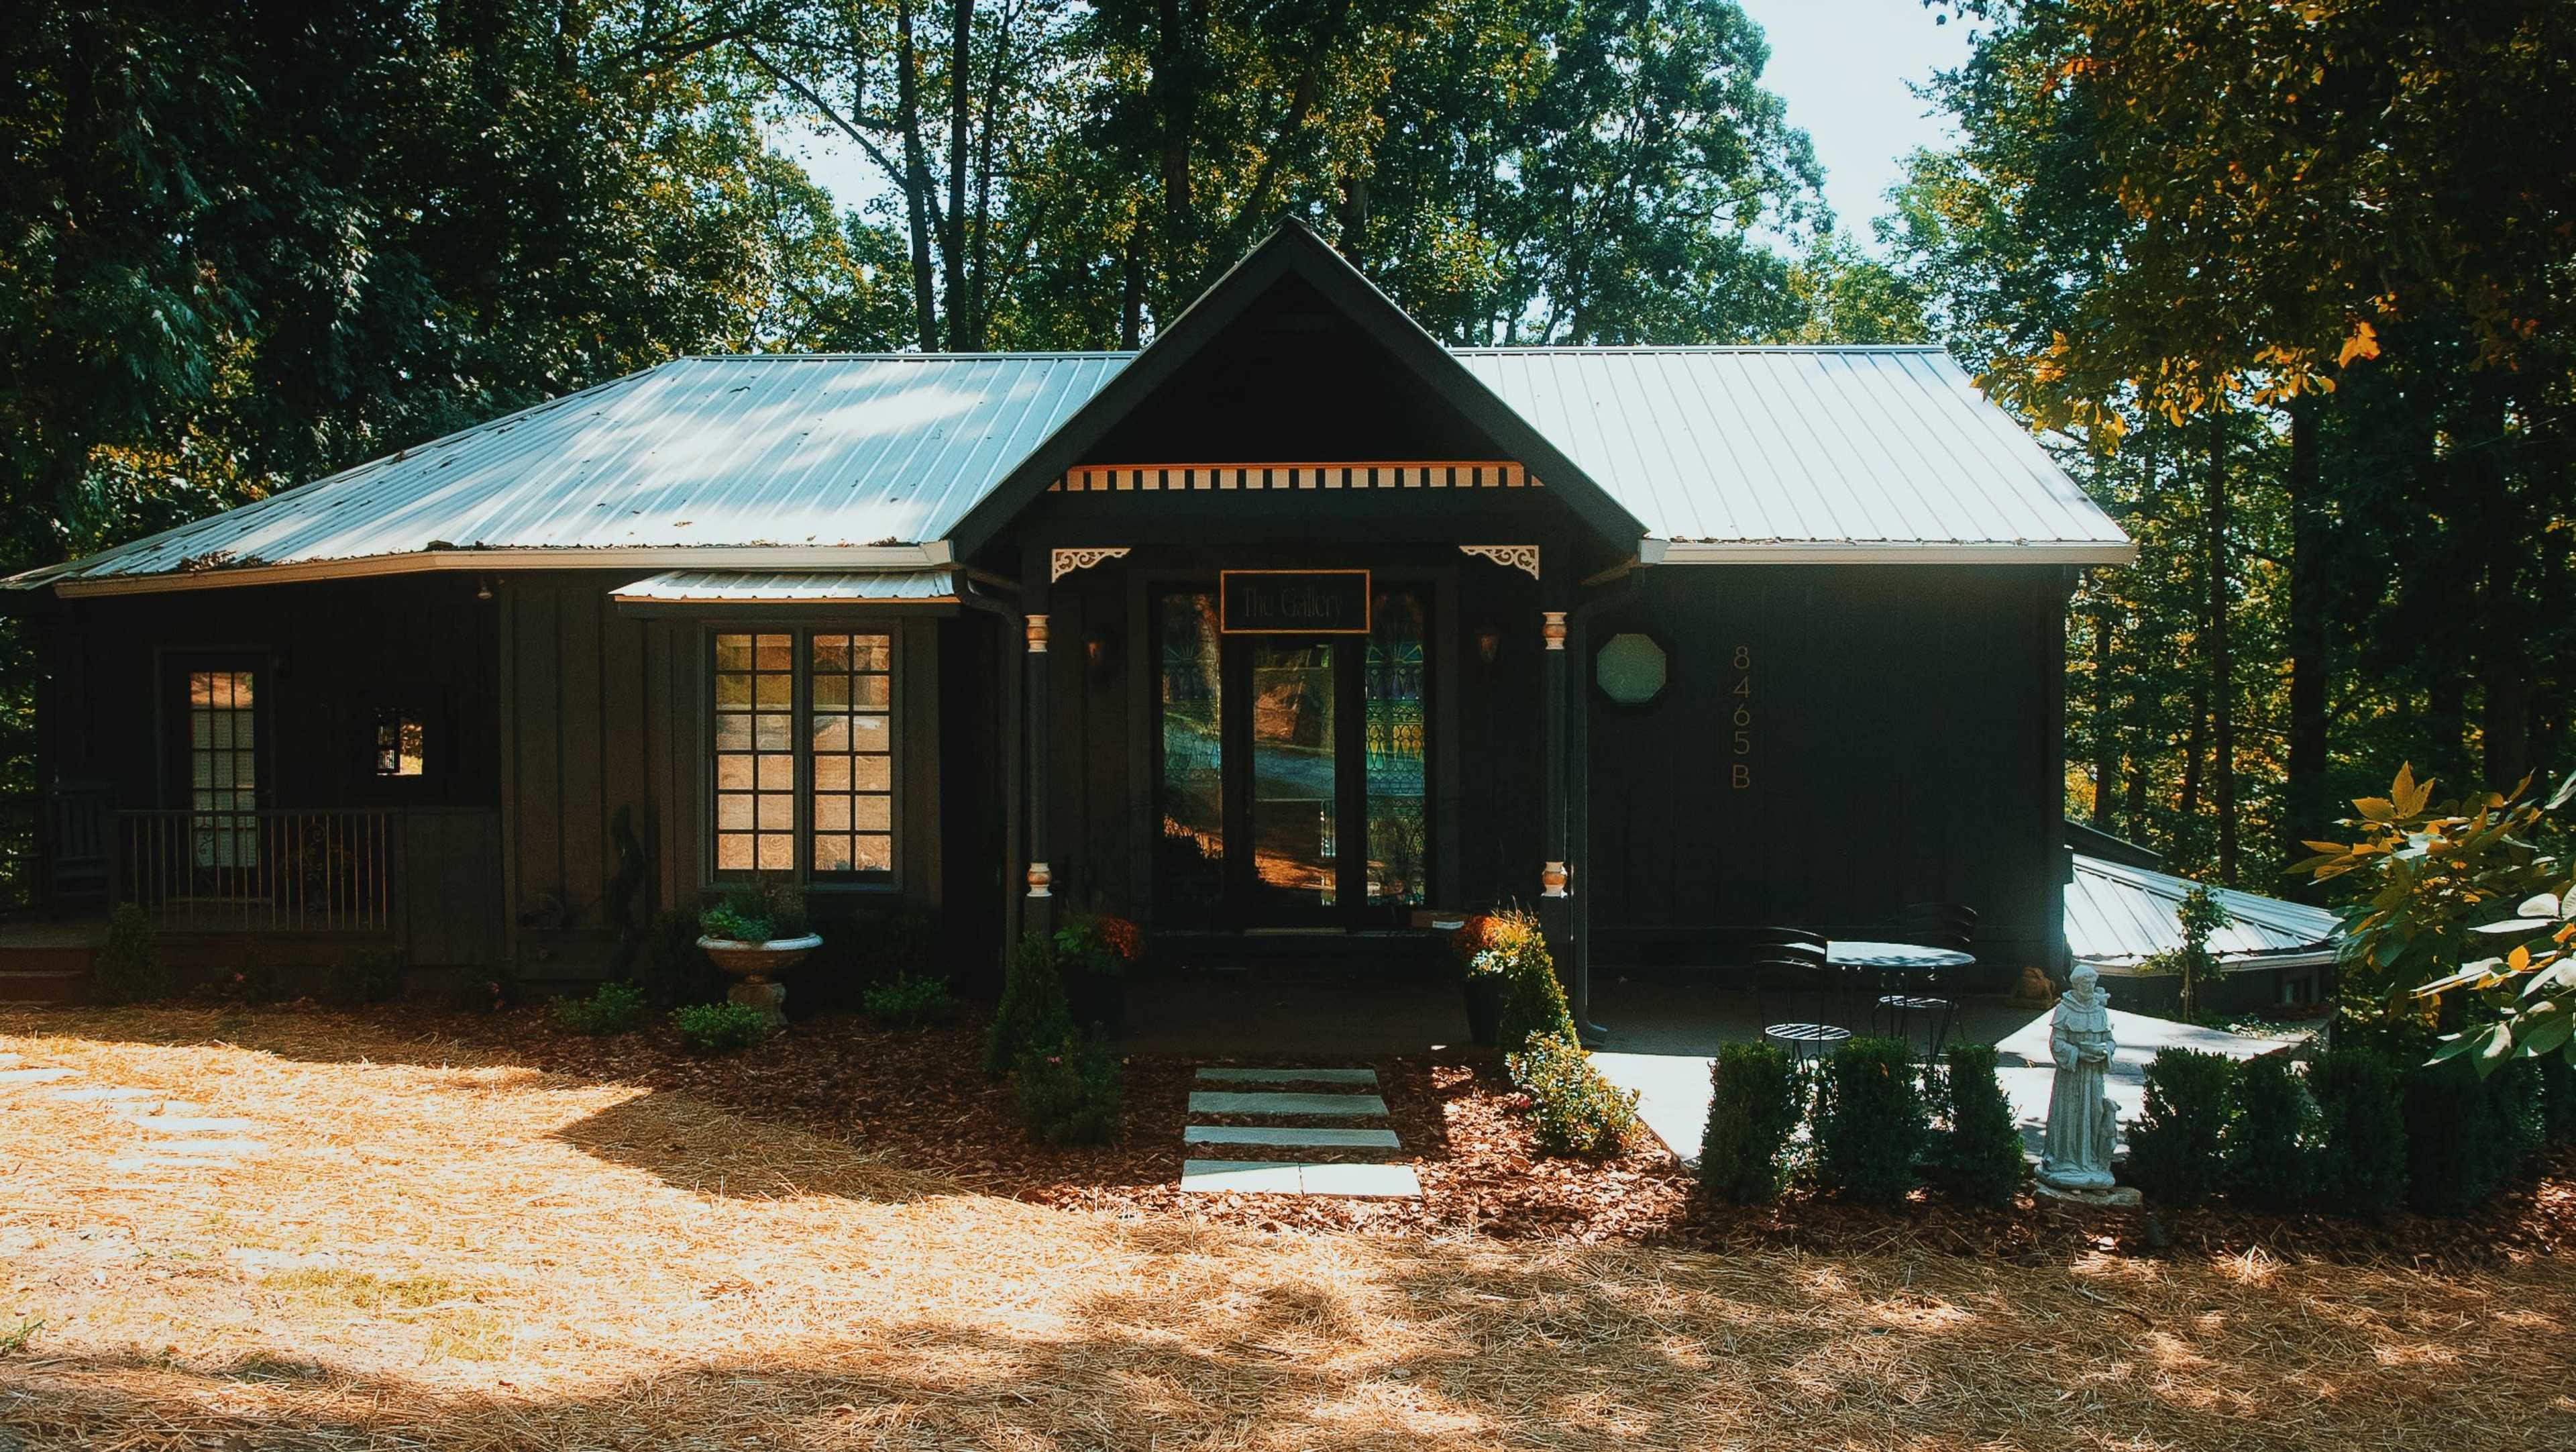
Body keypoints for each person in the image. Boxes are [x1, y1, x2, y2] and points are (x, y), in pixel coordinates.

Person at [2038, 964, 2118, 1190]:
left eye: (2092, 983)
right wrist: (2078, 1053)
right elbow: (2056, 1043)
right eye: (2085, 983)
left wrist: (2105, 1051)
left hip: (2093, 1077)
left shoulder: (2100, 1010)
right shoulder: (2065, 1009)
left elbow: (2110, 1040)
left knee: (2094, 1113)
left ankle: (2091, 1162)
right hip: (2071, 1076)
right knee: (2070, 1115)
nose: (2089, 987)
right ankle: (2065, 1161)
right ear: (2076, 984)